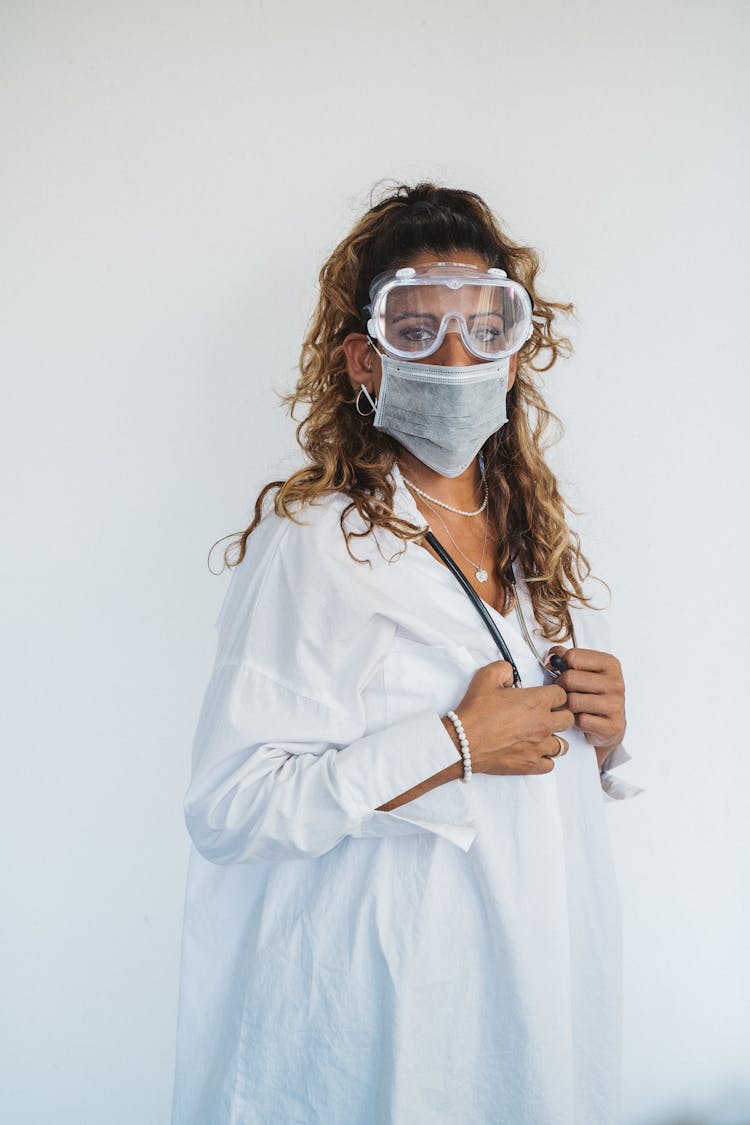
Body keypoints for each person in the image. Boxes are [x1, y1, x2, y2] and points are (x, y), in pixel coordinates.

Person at [170, 183, 644, 1125]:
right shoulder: (318, 541)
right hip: (375, 1010)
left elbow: (529, 767)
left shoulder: (528, 539)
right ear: (366, 360)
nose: (458, 355)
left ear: (515, 355)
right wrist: (453, 742)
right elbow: (229, 806)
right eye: (419, 330)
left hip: (524, 1002)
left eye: (484, 326)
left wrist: (609, 731)